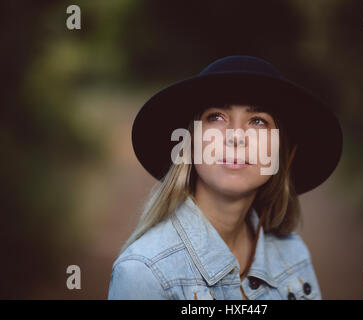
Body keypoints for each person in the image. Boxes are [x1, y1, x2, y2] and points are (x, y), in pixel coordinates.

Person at [107, 56, 343, 300]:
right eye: (216, 117)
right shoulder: (144, 273)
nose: (236, 137)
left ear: (281, 153)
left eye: (258, 121)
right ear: (190, 141)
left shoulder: (293, 255)